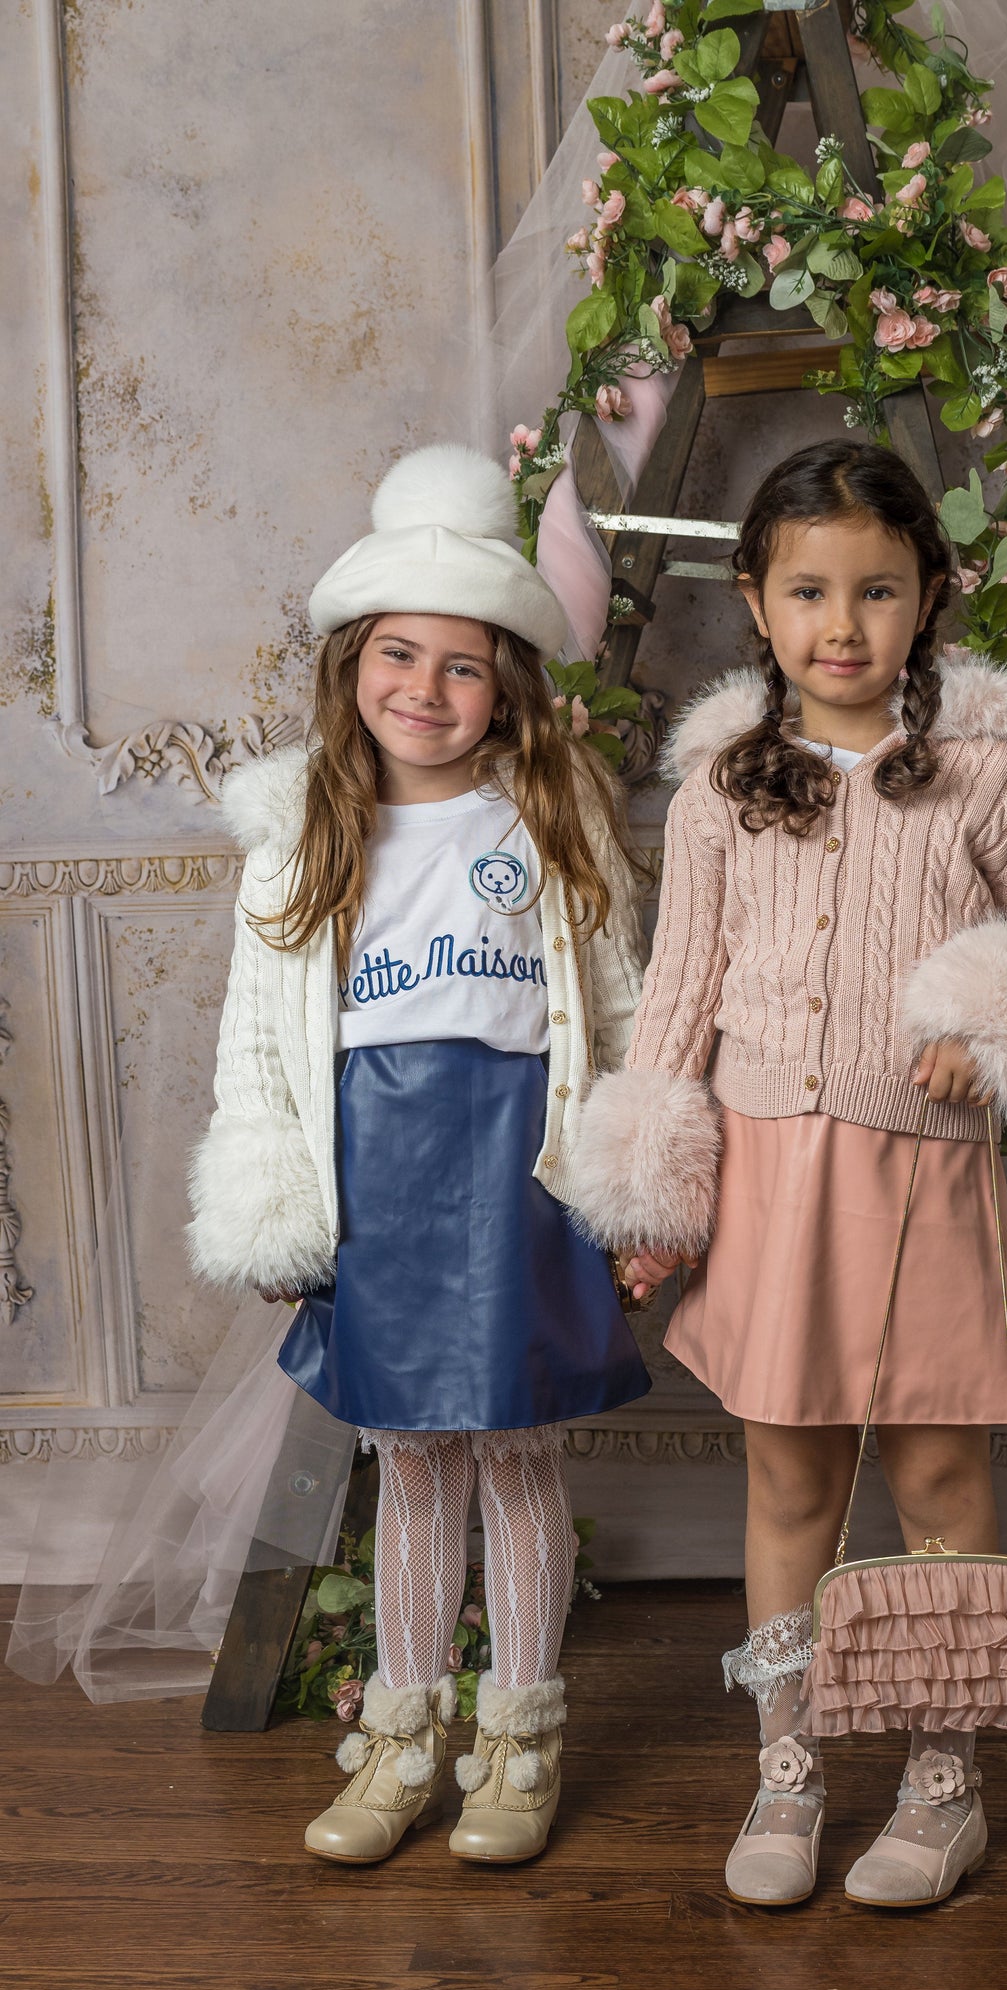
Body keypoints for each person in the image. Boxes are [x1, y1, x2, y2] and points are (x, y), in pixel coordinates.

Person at [568, 437, 1007, 1909]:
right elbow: (677, 988)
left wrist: (987, 1021)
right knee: (790, 1476)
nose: (842, 625)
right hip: (770, 1178)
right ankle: (786, 1767)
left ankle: (942, 1783)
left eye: (876, 590)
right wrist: (652, 1167)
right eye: (807, 591)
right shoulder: (720, 792)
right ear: (753, 599)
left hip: (920, 1176)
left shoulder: (985, 773)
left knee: (936, 1473)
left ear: (928, 596)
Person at [187, 442, 651, 1866]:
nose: (425, 692)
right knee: (409, 1466)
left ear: (505, 681)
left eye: (461, 666)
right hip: (370, 1175)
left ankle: (518, 1741)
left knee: (511, 1458)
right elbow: (255, 1040)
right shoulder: (300, 835)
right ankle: (400, 1741)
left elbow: (617, 1001)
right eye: (398, 656)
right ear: (353, 663)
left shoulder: (552, 817)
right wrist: (272, 1202)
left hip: (513, 1175)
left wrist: (638, 1184)